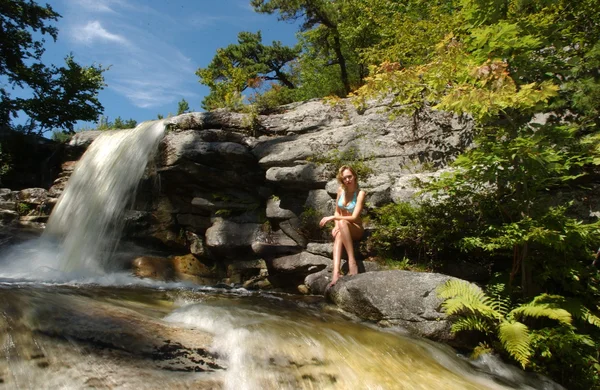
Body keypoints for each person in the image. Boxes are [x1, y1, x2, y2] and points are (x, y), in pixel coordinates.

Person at [319, 165, 366, 287]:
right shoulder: (341, 190)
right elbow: (337, 211)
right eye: (344, 178)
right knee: (339, 230)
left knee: (342, 222)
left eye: (349, 177)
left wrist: (334, 218)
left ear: (354, 176)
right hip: (342, 227)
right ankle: (336, 273)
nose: (347, 180)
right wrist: (336, 225)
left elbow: (354, 217)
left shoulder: (360, 193)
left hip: (356, 228)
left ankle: (352, 263)